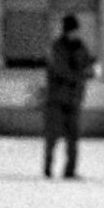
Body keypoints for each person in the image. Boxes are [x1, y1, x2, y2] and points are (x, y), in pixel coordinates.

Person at [42, 13, 95, 179]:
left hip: (74, 98)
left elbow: (88, 67)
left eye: (76, 30)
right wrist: (81, 74)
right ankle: (48, 168)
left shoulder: (81, 47)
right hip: (56, 99)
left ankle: (70, 171)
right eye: (72, 30)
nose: (75, 33)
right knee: (53, 136)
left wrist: (88, 72)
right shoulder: (57, 47)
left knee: (73, 137)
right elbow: (62, 70)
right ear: (66, 31)